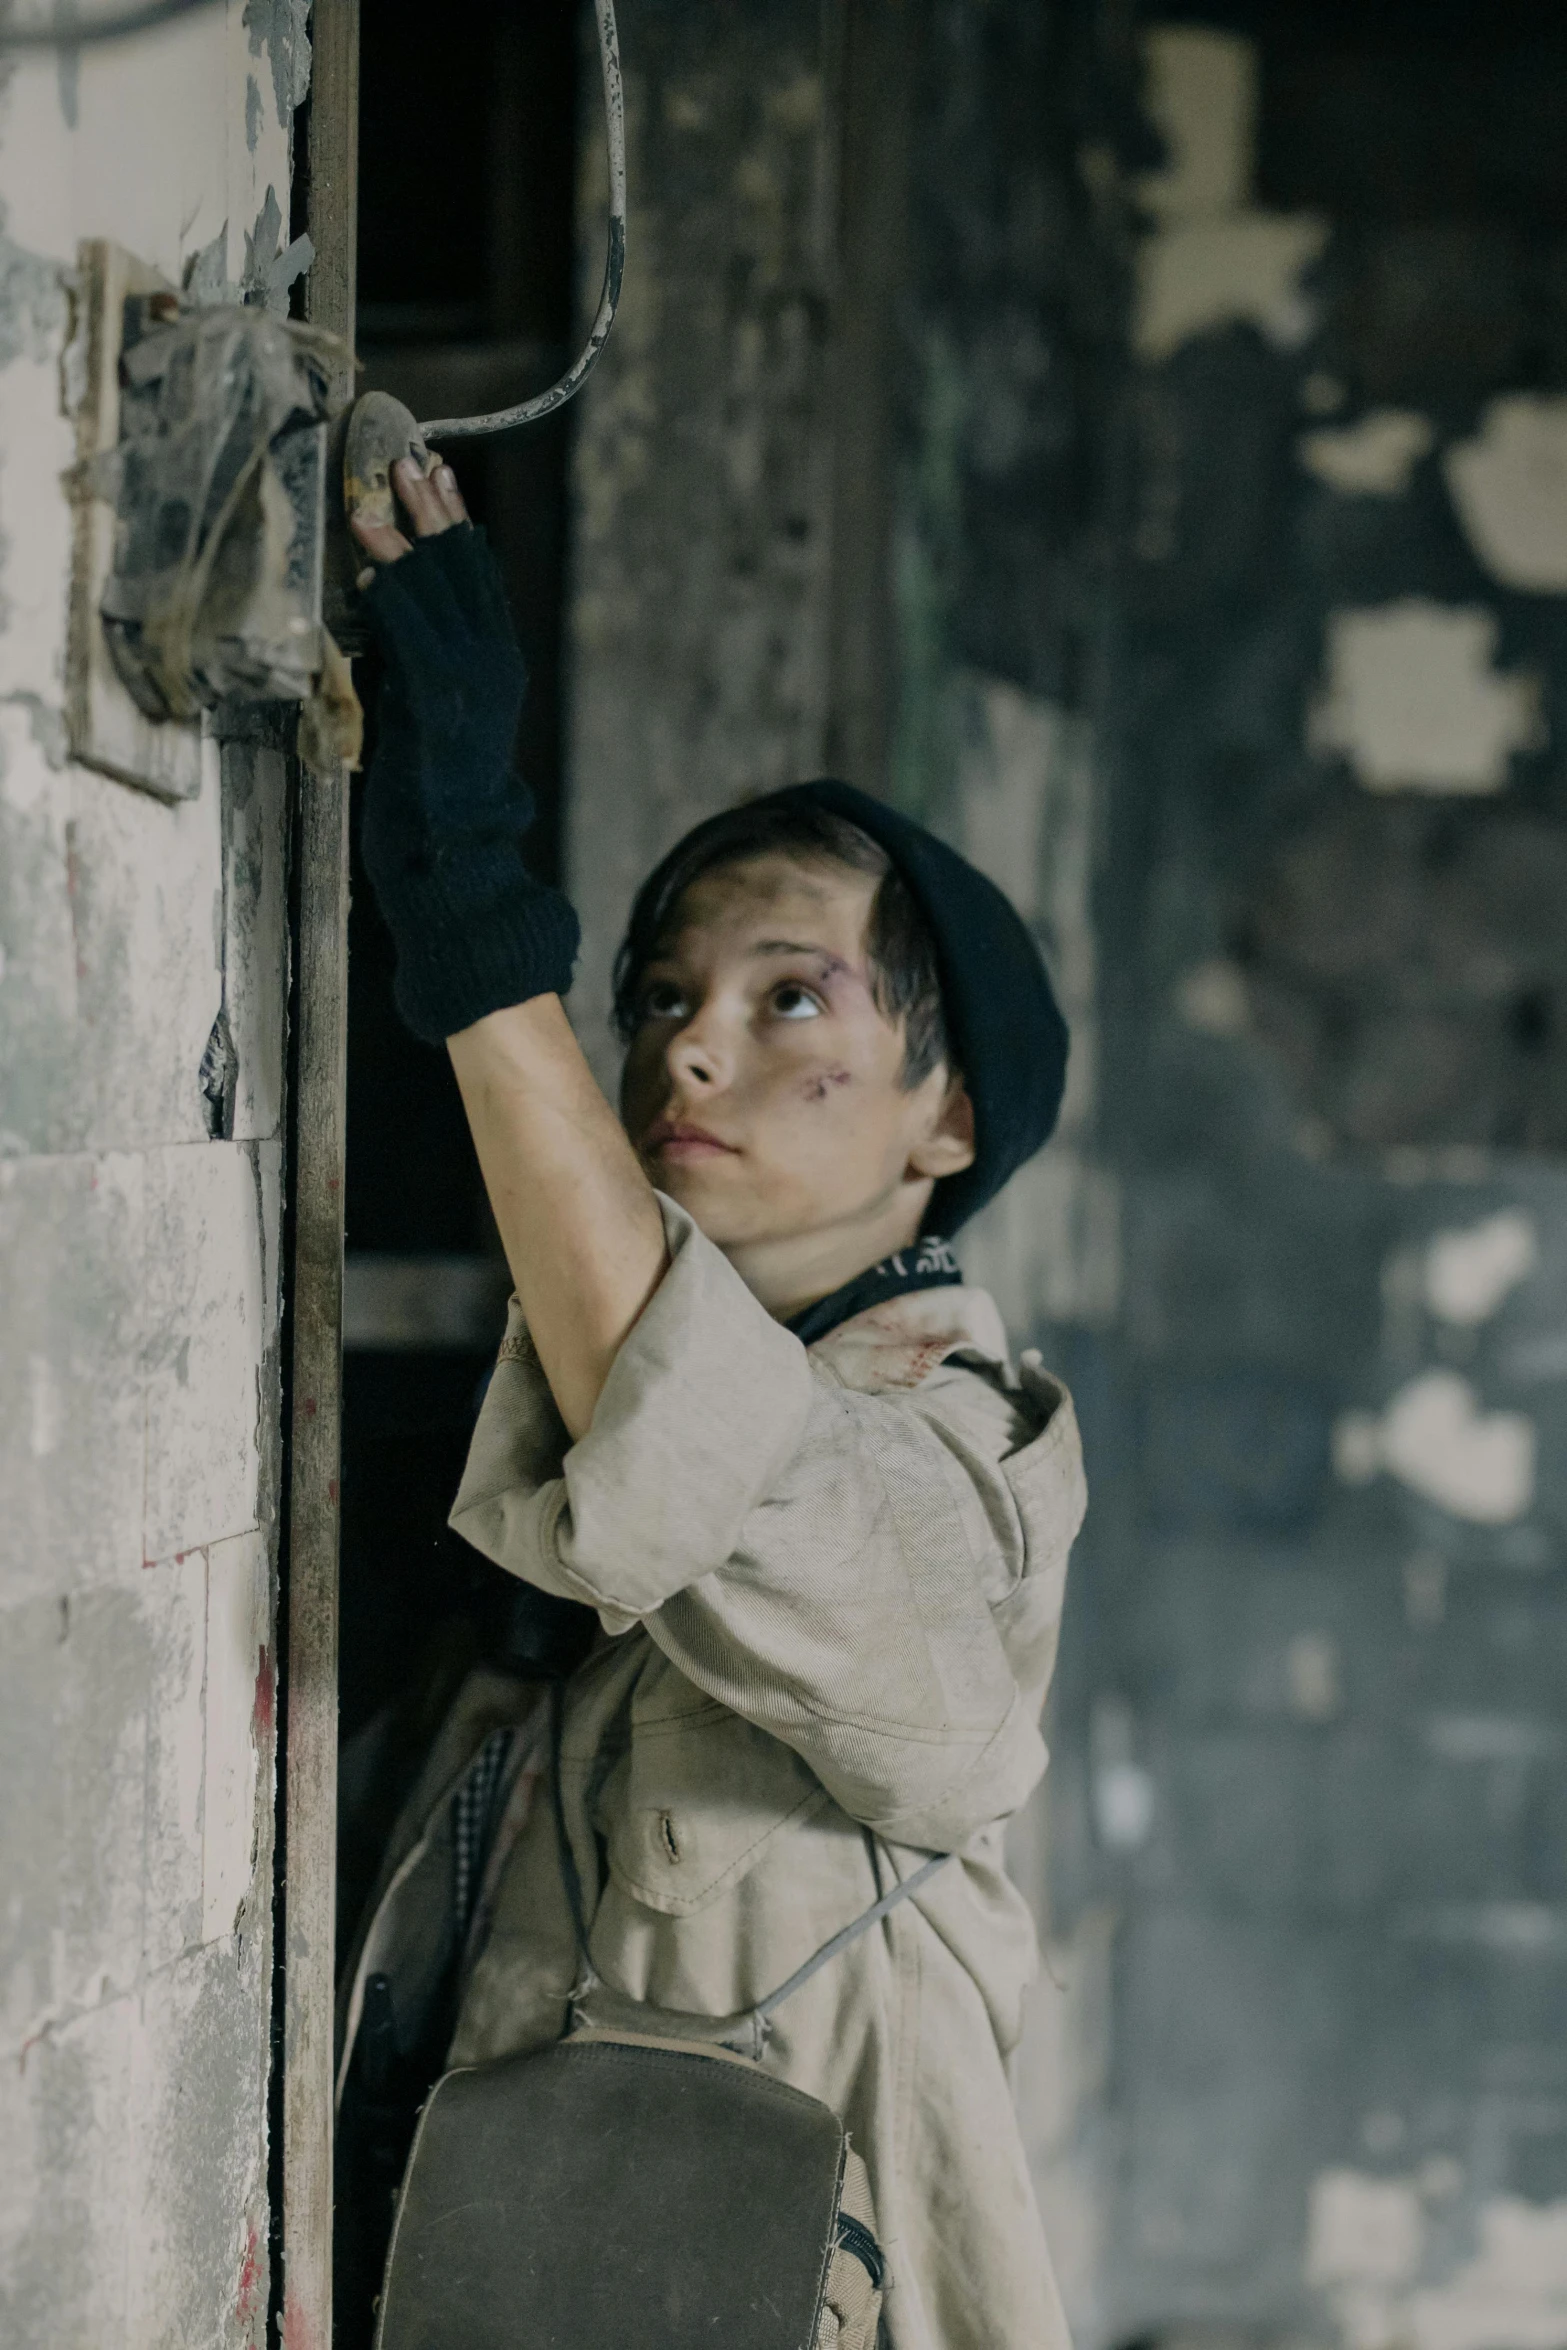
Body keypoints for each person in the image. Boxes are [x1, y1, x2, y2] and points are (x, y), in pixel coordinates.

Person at [343, 458, 1087, 2350]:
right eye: (664, 991)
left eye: (790, 1001)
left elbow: (712, 1451)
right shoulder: (557, 1466)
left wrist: (469, 893)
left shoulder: (968, 1468)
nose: (689, 1038)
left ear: (949, 1118)